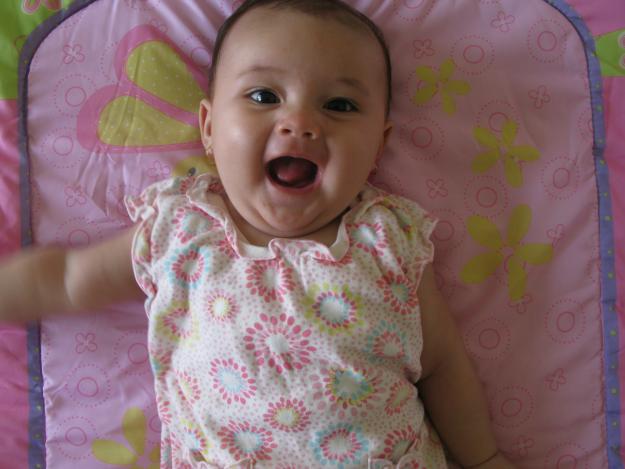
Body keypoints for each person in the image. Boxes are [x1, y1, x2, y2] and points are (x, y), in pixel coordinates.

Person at [0, 1, 515, 467]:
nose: (300, 122)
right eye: (264, 96)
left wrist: (484, 458)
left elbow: (441, 363)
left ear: (378, 147)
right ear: (208, 128)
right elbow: (66, 278)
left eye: (340, 105)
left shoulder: (388, 241)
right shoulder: (181, 231)